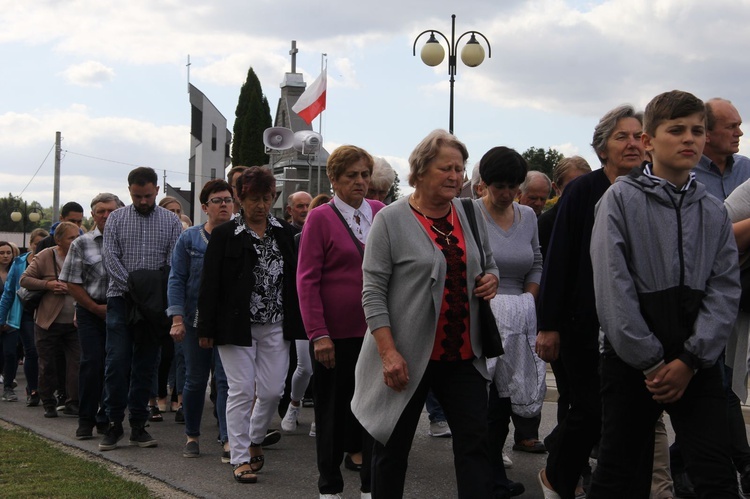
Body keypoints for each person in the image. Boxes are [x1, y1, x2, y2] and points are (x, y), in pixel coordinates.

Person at [588, 90, 740, 498]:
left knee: (716, 474)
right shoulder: (619, 200)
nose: (689, 139)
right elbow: (612, 286)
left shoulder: (712, 210)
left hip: (696, 360)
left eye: (697, 130)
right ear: (650, 142)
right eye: (676, 130)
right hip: (633, 360)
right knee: (619, 473)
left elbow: (725, 287)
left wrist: (691, 359)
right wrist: (652, 362)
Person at [351, 130, 499, 498]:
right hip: (407, 355)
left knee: (476, 445)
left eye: (460, 169)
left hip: (463, 354)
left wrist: (490, 280)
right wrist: (388, 353)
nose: (454, 176)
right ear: (419, 171)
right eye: (445, 168)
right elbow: (372, 293)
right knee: (393, 449)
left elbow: (490, 264)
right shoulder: (390, 220)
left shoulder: (471, 214)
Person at [536, 105, 645, 498]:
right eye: (622, 136)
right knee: (588, 410)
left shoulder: (651, 188)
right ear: (603, 149)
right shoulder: (584, 191)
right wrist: (548, 325)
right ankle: (556, 477)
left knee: (626, 415)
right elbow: (559, 259)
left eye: (638, 136)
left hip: (635, 323)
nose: (632, 143)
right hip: (581, 322)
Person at [197, 166, 304, 484]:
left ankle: (255, 437)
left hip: (276, 324)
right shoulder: (224, 235)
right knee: (241, 390)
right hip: (235, 327)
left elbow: (294, 278)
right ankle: (240, 457)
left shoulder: (284, 232)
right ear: (241, 199)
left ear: (274, 197)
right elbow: (209, 283)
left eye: (266, 197)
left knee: (272, 391)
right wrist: (206, 327)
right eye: (253, 198)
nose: (260, 204)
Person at [297, 145, 385, 499]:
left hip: (376, 332)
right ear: (333, 179)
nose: (361, 182)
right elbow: (306, 280)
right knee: (332, 413)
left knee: (373, 414)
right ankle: (330, 487)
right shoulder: (320, 217)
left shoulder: (380, 212)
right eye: (352, 176)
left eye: (365, 175)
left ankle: (369, 486)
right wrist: (318, 334)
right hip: (334, 335)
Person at [99, 167, 182, 451]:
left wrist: (151, 294)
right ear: (129, 191)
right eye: (137, 196)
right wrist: (135, 289)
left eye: (147, 195)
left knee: (147, 363)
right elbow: (110, 259)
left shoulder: (171, 221)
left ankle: (138, 424)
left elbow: (172, 262)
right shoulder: (116, 220)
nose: (143, 201)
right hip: (121, 300)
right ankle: (112, 423)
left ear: (157, 190)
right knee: (117, 362)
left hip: (153, 304)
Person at [477, 147, 545, 471]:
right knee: (485, 396)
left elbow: (536, 262)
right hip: (482, 315)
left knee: (510, 393)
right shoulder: (469, 212)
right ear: (485, 184)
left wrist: (529, 298)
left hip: (520, 315)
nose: (506, 193)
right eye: (499, 186)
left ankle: (494, 455)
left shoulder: (528, 216)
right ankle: (484, 463)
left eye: (513, 187)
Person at [167, 179, 233, 460]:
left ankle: (229, 438)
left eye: (228, 199)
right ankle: (192, 435)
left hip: (228, 323)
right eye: (217, 201)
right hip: (194, 322)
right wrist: (176, 318)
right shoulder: (190, 238)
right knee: (195, 381)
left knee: (227, 382)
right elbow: (176, 279)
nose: (224, 205)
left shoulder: (240, 236)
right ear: (205, 207)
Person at [59, 193, 123, 439]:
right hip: (89, 310)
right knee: (92, 363)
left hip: (119, 309)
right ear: (93, 215)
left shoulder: (126, 241)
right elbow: (72, 283)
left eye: (111, 211)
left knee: (115, 365)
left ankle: (106, 418)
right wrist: (95, 308)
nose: (106, 216)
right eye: (100, 211)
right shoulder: (81, 243)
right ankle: (85, 420)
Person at [20, 222, 80, 418]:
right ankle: (48, 402)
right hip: (48, 321)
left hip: (74, 321)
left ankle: (72, 402)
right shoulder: (46, 255)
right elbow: (25, 280)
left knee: (77, 363)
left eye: (77, 236)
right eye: (71, 238)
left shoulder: (81, 256)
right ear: (58, 240)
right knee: (47, 364)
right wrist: (48, 284)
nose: (75, 241)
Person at [0, 228, 47, 406]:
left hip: (46, 311)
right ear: (31, 244)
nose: (40, 248)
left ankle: (47, 388)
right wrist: (2, 317)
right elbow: (9, 292)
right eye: (37, 244)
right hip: (24, 313)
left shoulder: (51, 261)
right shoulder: (19, 263)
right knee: (30, 351)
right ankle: (32, 389)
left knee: (45, 354)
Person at [0, 241, 18, 401]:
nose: (5, 256)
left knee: (10, 353)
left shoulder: (17, 271)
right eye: (2, 252)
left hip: (12, 320)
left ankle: (8, 387)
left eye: (8, 252)